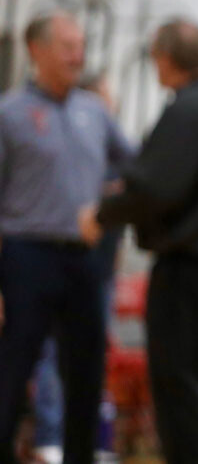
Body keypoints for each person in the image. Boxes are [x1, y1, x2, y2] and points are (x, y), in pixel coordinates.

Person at [77, 19, 198, 464]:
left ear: (164, 58)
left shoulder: (187, 110)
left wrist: (101, 215)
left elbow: (156, 187)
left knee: (179, 382)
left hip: (193, 264)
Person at [0, 13, 133, 464]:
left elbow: (137, 169)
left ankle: (79, 456)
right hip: (26, 255)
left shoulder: (94, 111)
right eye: (67, 46)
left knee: (86, 370)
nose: (78, 56)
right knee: (14, 366)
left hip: (83, 257)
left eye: (81, 46)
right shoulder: (10, 113)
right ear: (36, 50)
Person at [28, 70, 129, 464]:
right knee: (53, 354)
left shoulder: (110, 148)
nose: (109, 107)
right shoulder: (69, 149)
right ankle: (50, 438)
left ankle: (87, 440)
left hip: (100, 269)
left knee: (90, 356)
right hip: (63, 267)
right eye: (103, 99)